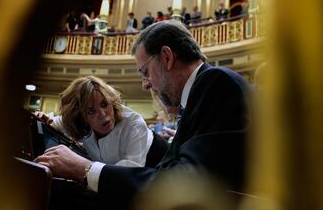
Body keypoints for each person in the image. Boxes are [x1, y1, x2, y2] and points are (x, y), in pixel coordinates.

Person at [35, 20, 250, 209]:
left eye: (145, 72)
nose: (145, 84)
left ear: (167, 57)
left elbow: (185, 185)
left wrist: (85, 169)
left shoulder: (215, 83)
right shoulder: (202, 92)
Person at [35, 76, 168, 168]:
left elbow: (130, 173)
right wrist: (43, 118)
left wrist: (81, 167)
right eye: (91, 111)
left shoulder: (133, 124)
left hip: (160, 166)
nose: (103, 115)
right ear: (81, 118)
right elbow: (55, 121)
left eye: (104, 104)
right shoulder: (78, 122)